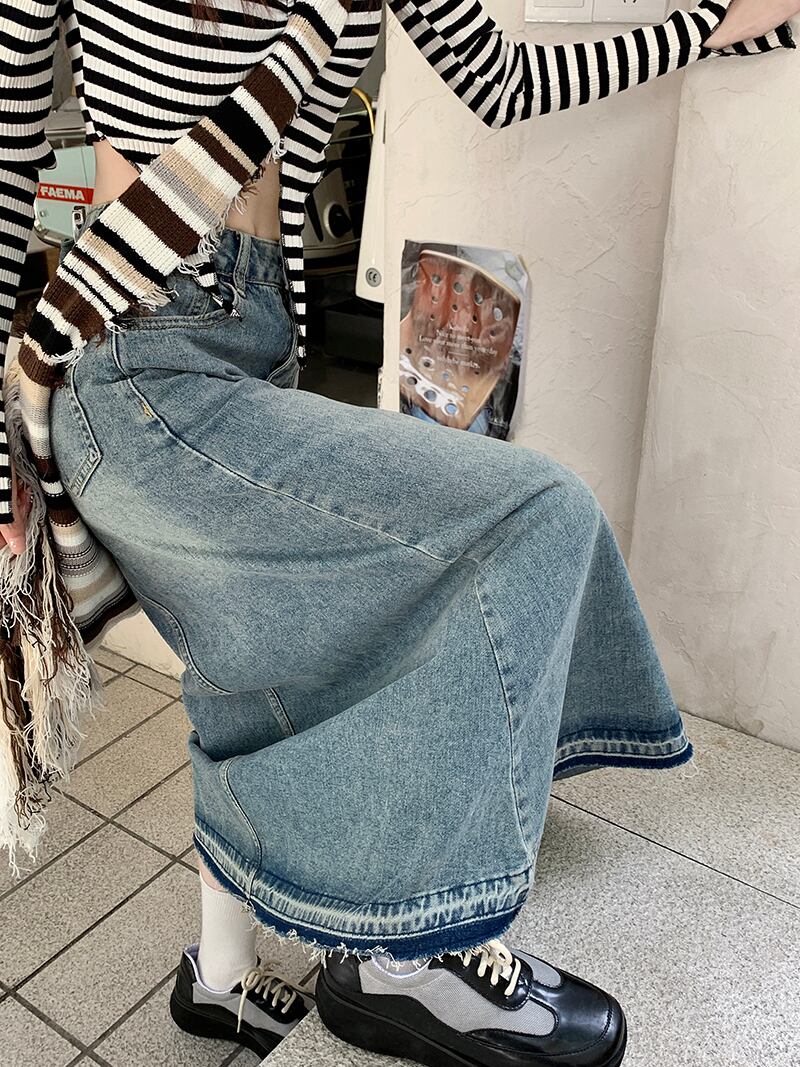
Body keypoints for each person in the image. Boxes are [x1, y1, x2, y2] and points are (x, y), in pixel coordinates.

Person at [0, 0, 795, 1063]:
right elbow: (7, 155)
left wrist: (714, 24)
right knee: (533, 512)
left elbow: (504, 81)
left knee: (250, 663)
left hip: (253, 342)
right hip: (135, 352)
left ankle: (220, 978)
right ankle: (404, 961)